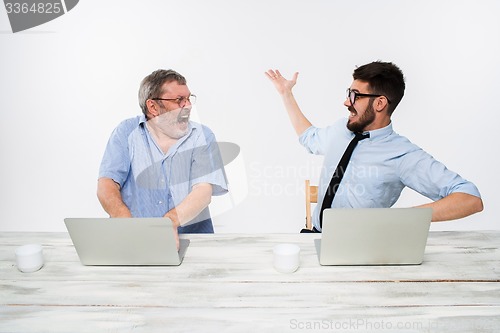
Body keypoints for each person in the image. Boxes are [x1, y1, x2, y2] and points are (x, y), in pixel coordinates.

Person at [265, 61, 483, 232]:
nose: (346, 102)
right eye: (348, 93)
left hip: (362, 250)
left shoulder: (403, 155)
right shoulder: (342, 129)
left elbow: (470, 198)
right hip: (317, 236)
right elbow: (310, 138)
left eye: (355, 96)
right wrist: (286, 94)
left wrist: (401, 220)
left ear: (379, 103)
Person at [97, 69, 228, 240]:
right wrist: (127, 224)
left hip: (193, 242)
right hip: (134, 240)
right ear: (153, 107)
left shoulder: (201, 135)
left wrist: (167, 224)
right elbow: (107, 185)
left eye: (188, 98)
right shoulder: (126, 132)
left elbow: (203, 191)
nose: (187, 105)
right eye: (179, 100)